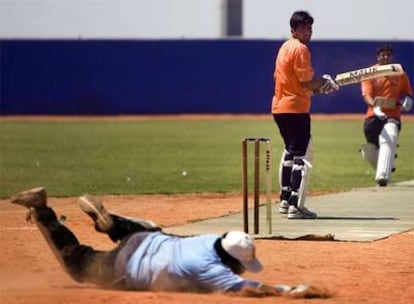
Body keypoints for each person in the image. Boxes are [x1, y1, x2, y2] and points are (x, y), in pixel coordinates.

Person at [11, 187, 329, 298]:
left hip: (144, 236)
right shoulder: (210, 270)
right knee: (78, 264)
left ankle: (113, 224)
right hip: (127, 267)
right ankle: (42, 208)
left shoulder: (209, 241)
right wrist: (292, 290)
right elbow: (255, 290)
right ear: (231, 261)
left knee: (158, 233)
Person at [271, 11, 339, 219]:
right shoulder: (300, 49)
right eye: (303, 28)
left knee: (290, 152)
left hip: (280, 108)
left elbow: (299, 86)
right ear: (293, 30)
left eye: (309, 28)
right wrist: (325, 81)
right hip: (296, 109)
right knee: (303, 155)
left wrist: (322, 87)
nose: (308, 32)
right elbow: (306, 83)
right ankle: (296, 206)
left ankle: (285, 200)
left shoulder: (285, 47)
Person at [360, 44, 413, 186]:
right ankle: (387, 164)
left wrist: (408, 100)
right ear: (378, 57)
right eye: (382, 55)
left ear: (391, 57)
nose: (385, 57)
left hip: (393, 114)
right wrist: (375, 107)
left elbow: (407, 92)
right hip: (373, 115)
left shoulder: (399, 73)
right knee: (369, 151)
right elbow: (367, 96)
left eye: (388, 55)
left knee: (389, 136)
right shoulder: (370, 72)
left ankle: (382, 176)